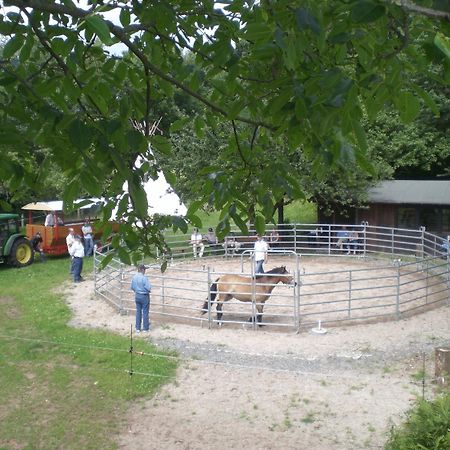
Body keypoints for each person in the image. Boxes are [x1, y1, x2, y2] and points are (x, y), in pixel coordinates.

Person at [130, 264, 152, 333]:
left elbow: (132, 287)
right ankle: (145, 328)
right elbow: (148, 287)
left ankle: (138, 328)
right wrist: (148, 290)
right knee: (145, 312)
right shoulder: (144, 277)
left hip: (137, 295)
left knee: (138, 311)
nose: (145, 271)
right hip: (144, 296)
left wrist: (137, 291)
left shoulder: (134, 277)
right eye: (144, 269)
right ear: (142, 270)